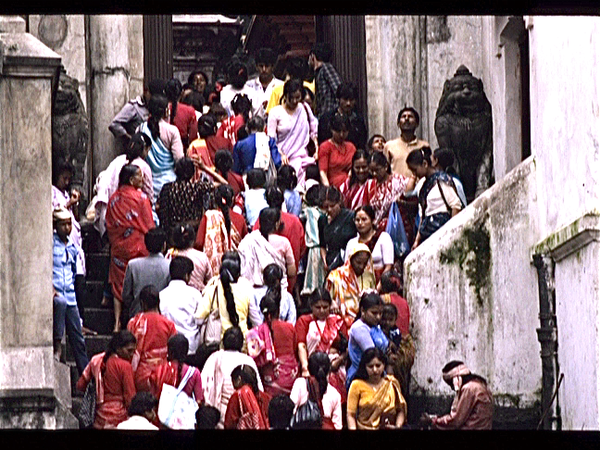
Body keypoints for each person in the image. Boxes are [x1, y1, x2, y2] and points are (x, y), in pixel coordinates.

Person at [106, 164, 156, 332]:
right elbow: (149, 225)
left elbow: (109, 224)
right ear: (130, 179)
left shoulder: (113, 199)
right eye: (139, 176)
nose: (142, 179)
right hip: (137, 248)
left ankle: (116, 322)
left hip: (118, 247)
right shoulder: (141, 198)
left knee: (117, 284)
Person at [201, 327, 264, 429]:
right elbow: (259, 391)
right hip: (243, 420)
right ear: (241, 343)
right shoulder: (248, 361)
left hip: (218, 419)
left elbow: (202, 387)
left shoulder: (214, 358)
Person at [93, 132, 154, 237]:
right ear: (131, 180)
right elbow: (150, 197)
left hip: (113, 216)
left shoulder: (118, 160)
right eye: (147, 150)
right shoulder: (143, 167)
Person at [52, 208, 89, 375]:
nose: (67, 228)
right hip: (57, 292)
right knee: (59, 304)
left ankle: (86, 375)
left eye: (69, 224)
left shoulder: (73, 247)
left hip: (70, 296)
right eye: (63, 225)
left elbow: (74, 273)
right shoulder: (51, 245)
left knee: (78, 339)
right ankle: (57, 344)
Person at [76, 330, 137, 429]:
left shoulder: (96, 360)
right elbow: (130, 398)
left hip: (98, 417)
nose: (132, 355)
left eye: (133, 352)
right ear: (118, 349)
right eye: (129, 351)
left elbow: (80, 385)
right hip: (119, 418)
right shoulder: (125, 366)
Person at [407, 147, 463, 249]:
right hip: (427, 233)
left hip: (442, 230)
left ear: (424, 164)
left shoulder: (442, 181)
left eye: (415, 170)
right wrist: (417, 240)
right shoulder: (423, 186)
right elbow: (423, 215)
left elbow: (456, 205)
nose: (414, 174)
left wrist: (452, 232)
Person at [253, 186, 306, 290]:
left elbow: (255, 246)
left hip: (264, 278)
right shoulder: (295, 221)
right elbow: (302, 248)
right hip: (290, 276)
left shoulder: (260, 221)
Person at [267, 78, 318, 187]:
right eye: (292, 98)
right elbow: (271, 139)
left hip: (303, 155)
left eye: (297, 98)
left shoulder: (304, 108)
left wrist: (316, 148)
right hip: (284, 159)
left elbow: (313, 128)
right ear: (285, 95)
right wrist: (281, 154)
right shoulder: (275, 113)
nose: (295, 101)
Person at [246, 292, 299, 396]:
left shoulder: (255, 333)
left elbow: (254, 359)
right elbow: (295, 351)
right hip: (290, 379)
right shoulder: (289, 328)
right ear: (278, 310)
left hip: (269, 382)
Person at [127, 285, 177, 392]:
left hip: (139, 375)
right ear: (158, 302)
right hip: (163, 375)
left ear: (142, 304)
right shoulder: (169, 324)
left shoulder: (134, 322)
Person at [138, 94, 184, 206]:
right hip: (169, 183)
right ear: (166, 111)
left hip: (148, 182)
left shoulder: (140, 129)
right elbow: (179, 159)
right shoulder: (172, 131)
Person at [420, 361, 493, 430]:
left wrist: (433, 421)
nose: (452, 388)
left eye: (450, 383)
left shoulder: (468, 388)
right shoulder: (480, 383)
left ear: (456, 379)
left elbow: (456, 420)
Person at [196, 254, 252, 344]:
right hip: (242, 342)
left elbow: (199, 318)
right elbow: (254, 316)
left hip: (218, 344)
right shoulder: (246, 286)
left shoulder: (213, 287)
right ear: (238, 273)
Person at [347, 347, 407, 430]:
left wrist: (397, 426)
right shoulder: (356, 385)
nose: (375, 370)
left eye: (378, 365)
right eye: (370, 366)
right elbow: (351, 415)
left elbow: (401, 410)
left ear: (384, 365)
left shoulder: (391, 383)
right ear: (365, 367)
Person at [295, 288, 347, 382]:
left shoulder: (337, 321)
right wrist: (305, 368)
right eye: (318, 307)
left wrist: (338, 361)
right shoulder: (304, 321)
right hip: (311, 368)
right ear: (311, 306)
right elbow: (301, 346)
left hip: (335, 368)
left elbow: (347, 347)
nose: (322, 310)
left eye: (325, 307)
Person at [194, 184, 248, 275]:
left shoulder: (209, 217)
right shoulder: (240, 219)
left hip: (212, 271)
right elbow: (244, 244)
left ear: (215, 200)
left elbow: (199, 243)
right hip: (235, 268)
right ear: (233, 200)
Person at [238, 208, 296, 291]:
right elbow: (292, 272)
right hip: (278, 291)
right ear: (276, 224)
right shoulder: (284, 243)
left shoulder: (250, 240)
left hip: (253, 292)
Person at [122, 228, 171, 321]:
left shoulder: (133, 265)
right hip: (161, 316)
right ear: (164, 245)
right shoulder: (169, 266)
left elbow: (126, 295)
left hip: (137, 313)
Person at [157, 157, 213, 236]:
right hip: (192, 232)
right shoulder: (197, 187)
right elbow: (224, 183)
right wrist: (204, 168)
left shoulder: (167, 188)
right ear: (192, 172)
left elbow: (158, 207)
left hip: (172, 233)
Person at [159, 256, 202, 356]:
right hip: (191, 348)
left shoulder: (161, 295)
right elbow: (200, 320)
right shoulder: (195, 294)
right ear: (187, 275)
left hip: (168, 348)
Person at [326, 244, 376, 330]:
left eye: (364, 263)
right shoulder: (336, 276)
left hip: (364, 324)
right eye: (358, 262)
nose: (361, 266)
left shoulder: (369, 276)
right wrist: (332, 302)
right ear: (351, 259)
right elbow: (326, 298)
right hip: (339, 323)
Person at [346, 291, 389, 389]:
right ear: (363, 311)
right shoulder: (359, 328)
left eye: (380, 313)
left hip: (377, 374)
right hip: (362, 377)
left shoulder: (375, 326)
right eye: (374, 313)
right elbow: (372, 354)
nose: (378, 317)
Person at [290, 351, 343, 430]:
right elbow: (338, 426)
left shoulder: (300, 383)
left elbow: (291, 411)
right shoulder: (335, 394)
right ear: (328, 370)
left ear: (309, 368)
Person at [109, 78, 166, 151]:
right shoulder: (134, 107)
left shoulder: (158, 108)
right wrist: (130, 138)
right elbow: (114, 124)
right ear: (146, 92)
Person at [344, 205, 395, 283]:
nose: (360, 223)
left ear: (372, 220)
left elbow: (388, 267)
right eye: (357, 220)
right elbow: (346, 268)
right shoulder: (351, 243)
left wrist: (378, 288)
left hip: (380, 284)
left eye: (364, 219)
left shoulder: (383, 238)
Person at [149, 334, 204, 405]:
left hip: (162, 413)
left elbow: (153, 396)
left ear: (169, 352)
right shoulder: (194, 373)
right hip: (185, 414)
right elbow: (198, 400)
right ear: (186, 352)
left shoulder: (159, 370)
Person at [368, 150, 411, 233]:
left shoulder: (398, 181)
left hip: (398, 226)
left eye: (377, 170)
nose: (374, 174)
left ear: (386, 167)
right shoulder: (370, 185)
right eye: (371, 171)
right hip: (378, 230)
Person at [317, 82, 368, 151]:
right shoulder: (327, 119)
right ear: (338, 99)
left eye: (351, 100)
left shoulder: (358, 121)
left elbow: (362, 144)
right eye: (345, 99)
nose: (348, 103)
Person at [383, 106, 430, 178]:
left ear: (417, 124)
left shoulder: (424, 145)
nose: (406, 119)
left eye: (410, 116)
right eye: (403, 116)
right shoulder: (389, 146)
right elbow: (385, 170)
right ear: (398, 124)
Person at [380, 302, 414, 402]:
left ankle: (390, 386)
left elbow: (396, 344)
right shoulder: (378, 329)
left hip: (392, 355)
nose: (387, 322)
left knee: (390, 367)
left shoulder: (396, 331)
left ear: (395, 320)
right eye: (384, 319)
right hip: (382, 355)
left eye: (390, 320)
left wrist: (391, 344)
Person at [318, 186, 357, 272]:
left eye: (332, 206)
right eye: (326, 207)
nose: (329, 209)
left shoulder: (350, 217)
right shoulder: (322, 220)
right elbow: (322, 245)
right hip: (330, 262)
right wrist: (325, 262)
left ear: (339, 202)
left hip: (347, 262)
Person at [166, 223, 213, 293]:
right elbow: (210, 281)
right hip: (200, 297)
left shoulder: (170, 255)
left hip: (175, 295)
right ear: (193, 239)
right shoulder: (202, 257)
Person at [224, 364, 270, 429]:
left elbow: (229, 424)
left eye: (233, 381)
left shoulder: (237, 396)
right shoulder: (265, 397)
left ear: (239, 379)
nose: (233, 386)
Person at [298, 185, 326, 295]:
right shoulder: (325, 212)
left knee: (314, 279)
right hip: (323, 247)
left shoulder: (308, 211)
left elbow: (300, 216)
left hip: (314, 248)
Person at [318, 114, 356, 188]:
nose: (341, 135)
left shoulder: (351, 147)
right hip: (334, 186)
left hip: (351, 185)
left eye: (344, 131)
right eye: (338, 131)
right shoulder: (325, 147)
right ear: (332, 130)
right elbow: (323, 173)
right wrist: (329, 190)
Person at [244, 47, 283, 120]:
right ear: (256, 67)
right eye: (261, 66)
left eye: (267, 66)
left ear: (273, 67)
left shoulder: (281, 86)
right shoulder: (248, 86)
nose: (264, 70)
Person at [308, 42, 342, 119]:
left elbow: (338, 89)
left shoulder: (326, 68)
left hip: (330, 115)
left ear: (313, 56)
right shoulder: (318, 72)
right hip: (323, 116)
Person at [165, 78, 198, 149]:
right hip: (182, 149)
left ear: (165, 93)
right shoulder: (189, 111)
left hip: (162, 150)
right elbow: (193, 136)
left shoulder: (161, 108)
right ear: (182, 92)